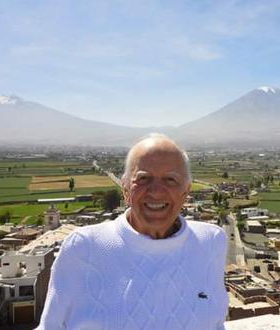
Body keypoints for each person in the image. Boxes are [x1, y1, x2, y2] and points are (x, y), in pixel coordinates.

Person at [37, 134, 228, 329]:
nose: (156, 191)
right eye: (143, 179)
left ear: (186, 192)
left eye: (170, 180)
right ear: (126, 190)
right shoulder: (84, 248)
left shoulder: (211, 242)